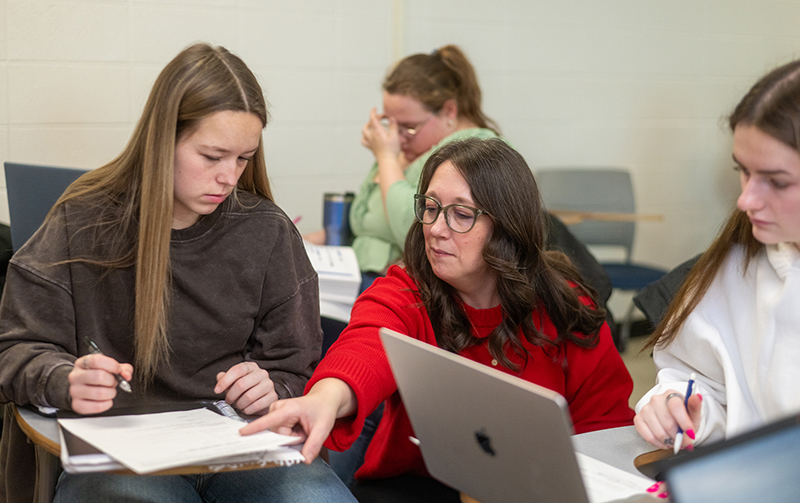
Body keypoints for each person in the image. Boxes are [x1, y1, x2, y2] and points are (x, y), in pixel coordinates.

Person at [0, 43, 355, 503]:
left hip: (239, 446)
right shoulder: (81, 220)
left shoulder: (267, 231)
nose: (229, 177)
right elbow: (15, 350)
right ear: (162, 139)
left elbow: (295, 366)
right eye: (212, 156)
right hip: (121, 450)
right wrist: (64, 380)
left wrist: (273, 387)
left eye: (243, 158)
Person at [244, 138, 635, 503]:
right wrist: (323, 400)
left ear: (508, 226)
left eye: (460, 214)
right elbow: (365, 347)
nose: (435, 228)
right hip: (418, 485)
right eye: (430, 207)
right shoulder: (407, 291)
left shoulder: (565, 307)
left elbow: (606, 427)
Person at [633, 58, 800, 454]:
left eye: (776, 181)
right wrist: (682, 408)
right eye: (742, 171)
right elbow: (702, 380)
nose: (745, 199)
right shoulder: (739, 265)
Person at [305, 45, 499, 290]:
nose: (397, 136)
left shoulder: (472, 148)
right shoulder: (411, 149)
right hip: (358, 274)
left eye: (409, 126)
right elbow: (367, 223)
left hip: (400, 285)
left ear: (449, 110)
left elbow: (412, 229)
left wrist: (386, 157)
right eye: (391, 124)